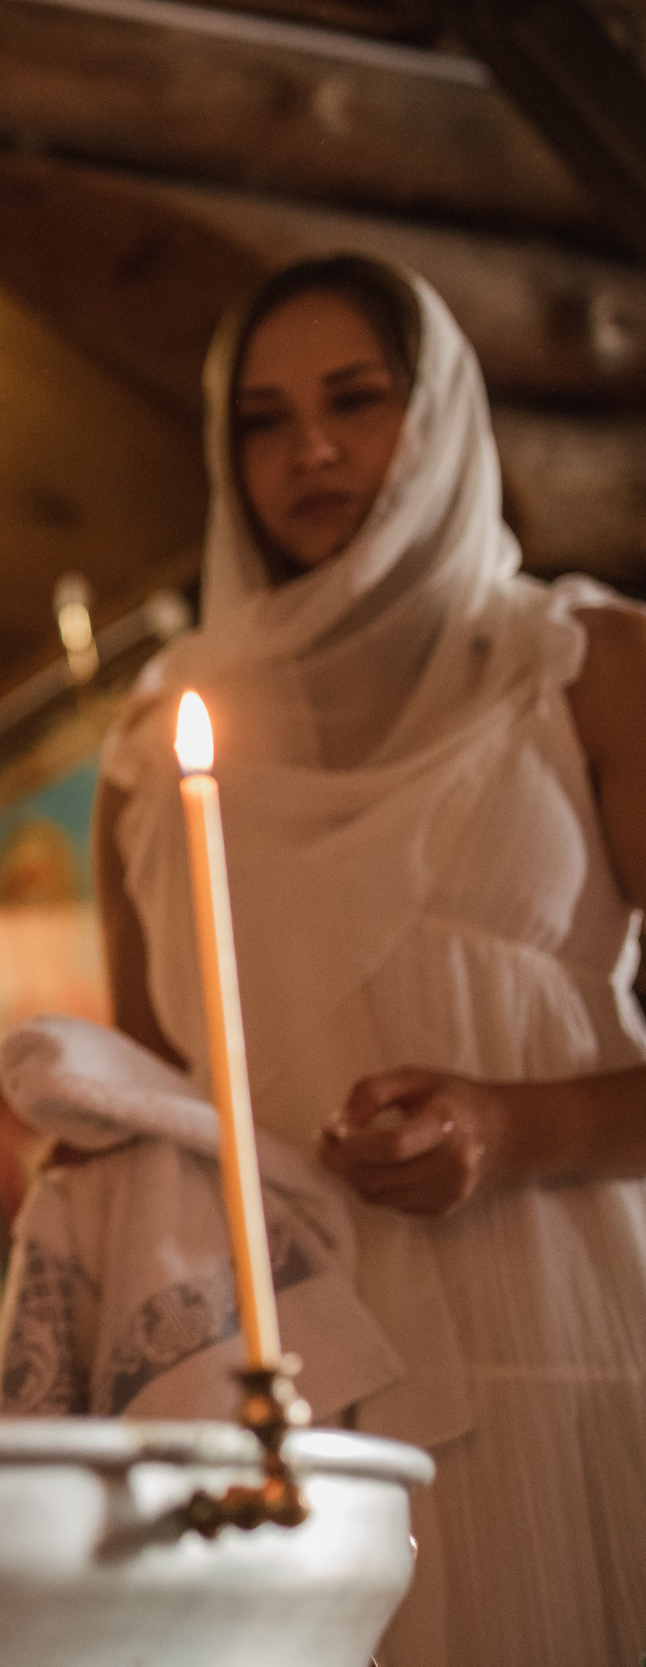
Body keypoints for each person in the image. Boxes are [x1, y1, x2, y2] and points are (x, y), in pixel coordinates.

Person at [75, 256, 646, 1664]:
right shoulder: (159, 744)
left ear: (440, 412)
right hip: (290, 1389)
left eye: (355, 399)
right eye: (262, 421)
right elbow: (152, 1105)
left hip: (567, 1338)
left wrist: (517, 1124)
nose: (310, 449)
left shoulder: (586, 667)